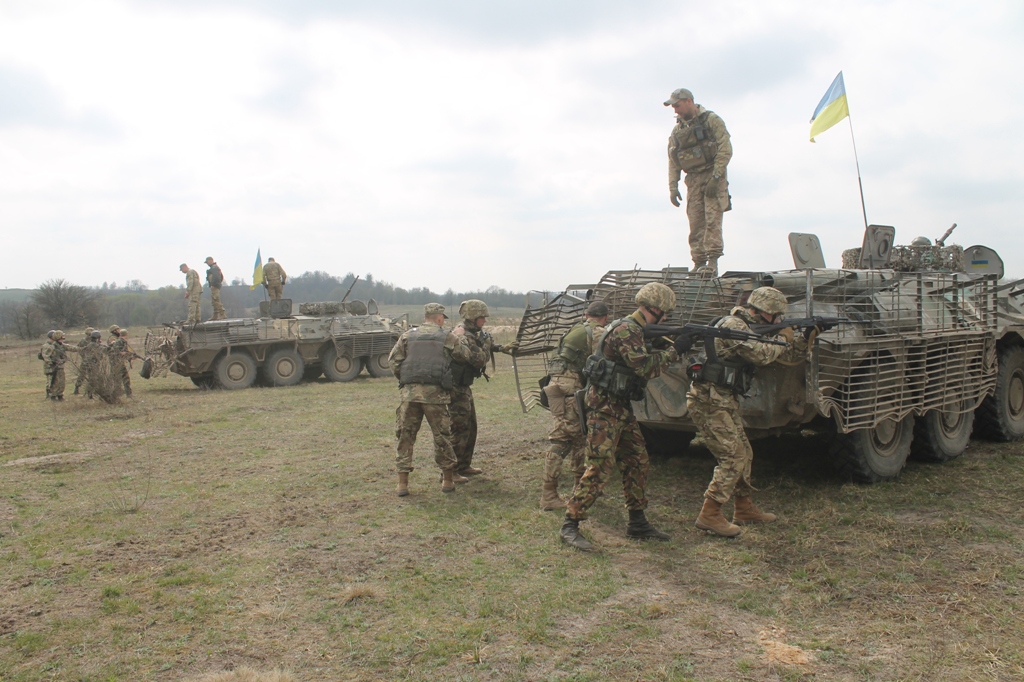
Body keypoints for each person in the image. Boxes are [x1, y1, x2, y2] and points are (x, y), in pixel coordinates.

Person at [560, 283, 684, 551]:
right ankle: (570, 524)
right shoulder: (627, 329)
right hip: (604, 409)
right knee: (600, 466)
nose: (666, 318)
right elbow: (645, 368)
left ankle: (637, 522)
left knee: (637, 460)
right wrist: (676, 350)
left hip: (620, 408)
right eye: (666, 313)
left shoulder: (634, 329)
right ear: (656, 309)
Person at [686, 286, 813, 537]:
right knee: (732, 457)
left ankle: (743, 508)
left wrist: (807, 335)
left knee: (744, 451)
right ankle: (710, 514)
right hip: (709, 401)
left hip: (722, 400)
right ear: (764, 313)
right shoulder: (734, 325)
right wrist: (784, 338)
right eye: (777, 317)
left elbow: (785, 353)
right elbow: (762, 354)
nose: (778, 321)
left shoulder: (750, 326)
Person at [388, 303, 487, 496]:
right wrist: (460, 337)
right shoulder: (447, 336)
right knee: (442, 437)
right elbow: (466, 357)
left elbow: (393, 361)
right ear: (440, 318)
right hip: (436, 396)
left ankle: (402, 484)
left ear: (426, 316)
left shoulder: (407, 336)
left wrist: (409, 380)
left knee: (406, 438)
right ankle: (448, 481)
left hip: (410, 396)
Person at [540, 300, 609, 510]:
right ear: (604, 318)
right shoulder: (597, 332)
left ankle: (579, 488)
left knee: (579, 437)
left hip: (559, 386)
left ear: (587, 314)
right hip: (570, 391)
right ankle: (548, 495)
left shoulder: (575, 330)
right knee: (561, 441)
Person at [665, 88, 733, 275]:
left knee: (712, 220)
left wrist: (717, 177)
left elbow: (725, 148)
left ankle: (712, 261)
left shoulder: (711, 120)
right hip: (693, 179)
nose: (675, 110)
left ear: (688, 101)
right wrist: (673, 186)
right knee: (695, 222)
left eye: (677, 105)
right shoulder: (678, 130)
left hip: (712, 176)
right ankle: (699, 262)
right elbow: (673, 159)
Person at [449, 300, 518, 479]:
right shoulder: (462, 335)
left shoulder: (474, 333)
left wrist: (502, 347)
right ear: (473, 318)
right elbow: (478, 359)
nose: (485, 321)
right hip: (455, 388)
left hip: (463, 387)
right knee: (459, 428)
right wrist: (488, 344)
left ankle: (464, 466)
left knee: (471, 427)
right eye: (482, 317)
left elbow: (484, 345)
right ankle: (450, 471)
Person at [108, 328, 136, 398]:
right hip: (117, 362)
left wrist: (130, 357)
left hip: (118, 362)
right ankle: (125, 394)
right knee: (121, 378)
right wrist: (124, 354)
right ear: (126, 334)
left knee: (121, 378)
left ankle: (126, 394)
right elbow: (117, 351)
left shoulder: (122, 341)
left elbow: (124, 352)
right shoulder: (119, 341)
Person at [42, 330, 68, 400]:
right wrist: (51, 363)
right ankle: (50, 394)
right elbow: (45, 356)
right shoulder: (48, 346)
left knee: (58, 381)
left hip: (56, 366)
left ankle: (57, 394)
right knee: (51, 381)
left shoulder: (58, 345)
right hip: (50, 366)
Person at [79, 330, 104, 399]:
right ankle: (90, 394)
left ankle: (90, 393)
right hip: (93, 364)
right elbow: (104, 349)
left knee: (92, 378)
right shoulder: (94, 345)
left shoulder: (91, 344)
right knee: (93, 379)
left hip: (90, 363)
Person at [72, 328, 94, 395]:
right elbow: (79, 348)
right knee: (88, 375)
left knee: (82, 375)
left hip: (86, 360)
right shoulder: (91, 340)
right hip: (90, 360)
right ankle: (87, 390)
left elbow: (78, 348)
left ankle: (77, 388)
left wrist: (83, 355)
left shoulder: (83, 340)